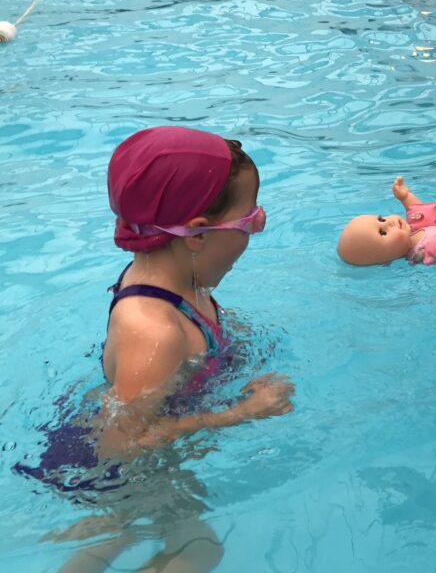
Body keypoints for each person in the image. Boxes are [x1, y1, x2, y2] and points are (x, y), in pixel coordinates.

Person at [17, 126, 294, 572]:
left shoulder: (178, 279)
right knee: (198, 550)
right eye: (251, 221)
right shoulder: (155, 331)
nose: (254, 232)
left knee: (116, 538)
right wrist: (241, 413)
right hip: (110, 469)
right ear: (198, 234)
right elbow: (121, 443)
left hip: (124, 441)